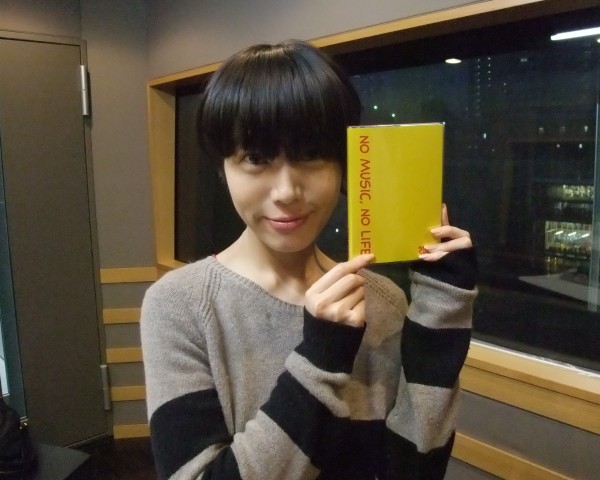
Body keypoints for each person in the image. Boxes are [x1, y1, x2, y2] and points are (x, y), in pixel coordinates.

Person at [141, 40, 477, 480]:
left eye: (311, 156)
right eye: (255, 158)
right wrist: (319, 360)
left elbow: (415, 469)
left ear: (342, 164)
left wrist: (442, 308)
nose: (286, 192)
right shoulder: (179, 305)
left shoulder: (383, 303)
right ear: (224, 167)